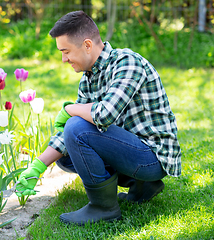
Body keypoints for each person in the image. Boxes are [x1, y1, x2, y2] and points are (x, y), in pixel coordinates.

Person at [15, 10, 181, 226]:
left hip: (152, 157)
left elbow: (104, 115)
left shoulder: (127, 63)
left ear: (87, 45)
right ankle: (142, 186)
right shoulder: (88, 77)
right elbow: (71, 132)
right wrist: (37, 166)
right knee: (66, 154)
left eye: (65, 52)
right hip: (131, 150)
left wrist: (71, 109)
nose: (63, 59)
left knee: (76, 127)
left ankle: (103, 208)